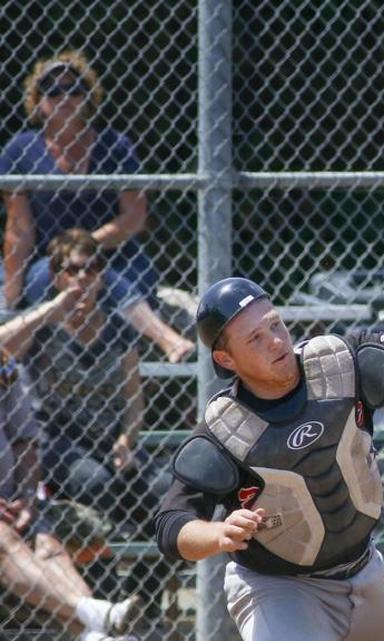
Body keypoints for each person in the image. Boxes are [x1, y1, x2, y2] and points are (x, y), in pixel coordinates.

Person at [150, 276, 384, 641]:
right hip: (280, 589)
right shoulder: (226, 430)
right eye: (255, 338)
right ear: (226, 359)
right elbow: (172, 525)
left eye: (275, 324)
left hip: (366, 570)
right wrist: (218, 533)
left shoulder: (337, 366)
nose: (276, 341)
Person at [0, 49, 193, 363]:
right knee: (52, 280)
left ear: (88, 97)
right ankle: (165, 338)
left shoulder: (114, 145)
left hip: (115, 254)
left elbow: (133, 217)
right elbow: (19, 231)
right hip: (50, 261)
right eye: (52, 90)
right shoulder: (19, 150)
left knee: (107, 274)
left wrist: (86, 249)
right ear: (36, 100)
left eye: (73, 89)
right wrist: (11, 296)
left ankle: (141, 356)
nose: (64, 96)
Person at [0, 229, 169, 533]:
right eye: (73, 269)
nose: (82, 278)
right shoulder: (41, 324)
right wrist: (51, 310)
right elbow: (3, 350)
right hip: (56, 441)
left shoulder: (119, 327)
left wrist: (125, 441)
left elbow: (134, 402)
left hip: (109, 441)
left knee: (165, 489)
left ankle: (147, 559)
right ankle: (110, 547)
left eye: (92, 268)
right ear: (56, 277)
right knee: (95, 481)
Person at [0, 351, 140, 641]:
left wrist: (28, 498)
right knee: (4, 540)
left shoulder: (5, 366)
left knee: (49, 547)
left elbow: (25, 442)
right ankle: (100, 616)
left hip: (13, 503)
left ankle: (96, 634)